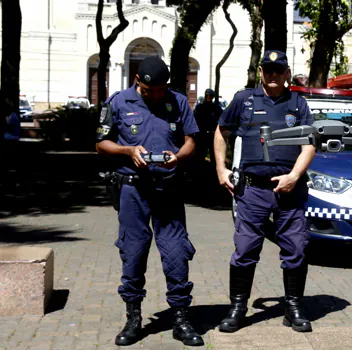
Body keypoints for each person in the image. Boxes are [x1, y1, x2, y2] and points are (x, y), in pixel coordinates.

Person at [95, 56, 204, 347]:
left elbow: (192, 139)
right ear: (137, 81)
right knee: (133, 251)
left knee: (176, 251)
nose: (155, 95)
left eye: (160, 90)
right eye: (148, 90)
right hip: (133, 190)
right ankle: (133, 319)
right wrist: (127, 151)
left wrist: (178, 157)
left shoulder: (178, 101)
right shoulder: (118, 102)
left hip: (168, 188)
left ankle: (181, 319)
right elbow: (101, 143)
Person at [213, 49, 316, 333]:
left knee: (296, 249)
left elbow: (310, 143)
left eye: (278, 70)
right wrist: (221, 170)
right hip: (253, 191)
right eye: (267, 70)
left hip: (290, 191)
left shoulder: (298, 103)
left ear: (286, 73)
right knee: (245, 250)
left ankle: (293, 307)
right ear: (261, 73)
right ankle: (238, 307)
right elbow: (221, 132)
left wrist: (295, 176)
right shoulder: (244, 100)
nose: (272, 75)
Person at [194, 88, 223, 163]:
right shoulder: (200, 108)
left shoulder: (216, 108)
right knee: (200, 155)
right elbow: (196, 120)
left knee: (214, 155)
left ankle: (213, 171)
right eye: (207, 95)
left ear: (213, 97)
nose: (208, 98)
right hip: (202, 134)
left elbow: (220, 120)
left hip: (213, 134)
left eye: (210, 96)